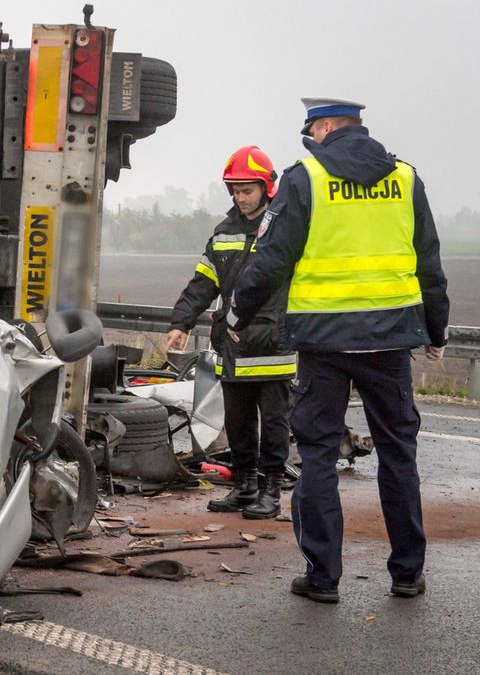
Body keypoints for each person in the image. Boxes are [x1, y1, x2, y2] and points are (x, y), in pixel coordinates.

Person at [229, 98, 448, 604]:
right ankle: (407, 574)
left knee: (320, 457)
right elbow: (428, 261)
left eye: (312, 130)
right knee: (398, 456)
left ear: (324, 126)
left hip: (324, 343)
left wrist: (238, 312)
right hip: (390, 340)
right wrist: (435, 330)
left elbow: (272, 258)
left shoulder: (305, 177)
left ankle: (323, 578)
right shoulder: (406, 178)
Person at [168, 146, 295, 519]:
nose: (240, 198)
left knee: (273, 423)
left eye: (247, 190)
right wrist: (181, 323)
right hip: (232, 345)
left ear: (266, 188)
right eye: (235, 190)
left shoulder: (283, 230)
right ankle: (244, 486)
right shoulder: (223, 232)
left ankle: (271, 489)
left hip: (272, 344)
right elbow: (203, 283)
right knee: (238, 421)